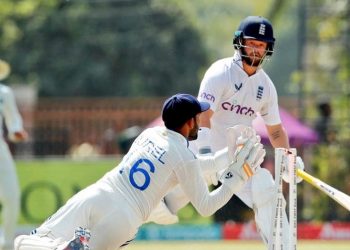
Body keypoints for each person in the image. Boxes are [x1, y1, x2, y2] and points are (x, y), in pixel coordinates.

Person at [14, 93, 265, 250]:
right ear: (189, 122)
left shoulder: (150, 134)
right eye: (197, 117)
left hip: (98, 194)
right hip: (125, 218)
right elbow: (206, 205)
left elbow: (187, 168)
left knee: (38, 239)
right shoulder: (184, 156)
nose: (200, 122)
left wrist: (227, 157)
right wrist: (235, 180)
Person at [149, 16, 305, 247]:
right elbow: (202, 116)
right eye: (251, 42)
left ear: (267, 49)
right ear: (240, 42)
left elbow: (275, 131)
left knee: (265, 189)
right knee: (163, 204)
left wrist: (288, 160)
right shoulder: (220, 72)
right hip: (202, 146)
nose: (255, 49)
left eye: (261, 45)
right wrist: (205, 156)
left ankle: (283, 246)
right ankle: (142, 210)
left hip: (236, 154)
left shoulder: (266, 86)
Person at [0, 59, 28, 250]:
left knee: (12, 195)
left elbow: (13, 119)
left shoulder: (4, 93)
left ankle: (8, 244)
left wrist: (16, 131)